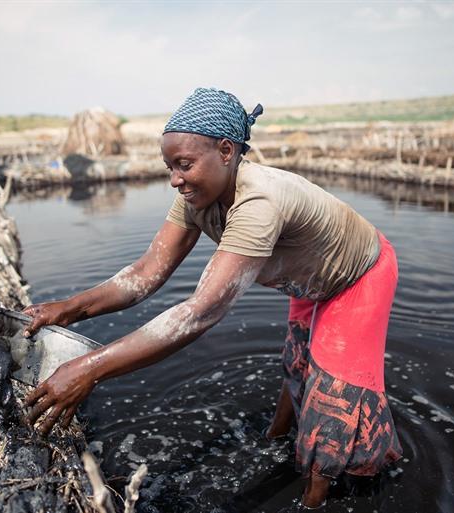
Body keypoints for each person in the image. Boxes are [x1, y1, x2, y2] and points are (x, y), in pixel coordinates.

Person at [22, 87, 402, 508]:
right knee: (297, 364)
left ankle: (314, 499)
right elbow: (146, 273)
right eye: (169, 166)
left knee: (332, 403)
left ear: (226, 150)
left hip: (357, 276)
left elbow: (199, 313)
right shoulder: (194, 197)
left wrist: (87, 369)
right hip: (309, 278)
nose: (174, 179)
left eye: (184, 165)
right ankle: (275, 438)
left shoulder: (258, 200)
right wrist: (65, 309)